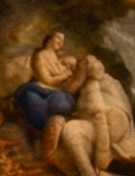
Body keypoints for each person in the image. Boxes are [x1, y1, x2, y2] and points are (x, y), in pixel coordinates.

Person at [11, 30, 87, 162]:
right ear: (49, 39)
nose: (60, 43)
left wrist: (69, 74)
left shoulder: (56, 57)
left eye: (62, 41)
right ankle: (42, 132)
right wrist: (65, 74)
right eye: (58, 39)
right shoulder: (40, 55)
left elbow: (62, 78)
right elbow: (46, 79)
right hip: (38, 88)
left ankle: (50, 133)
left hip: (55, 92)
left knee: (63, 102)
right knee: (32, 101)